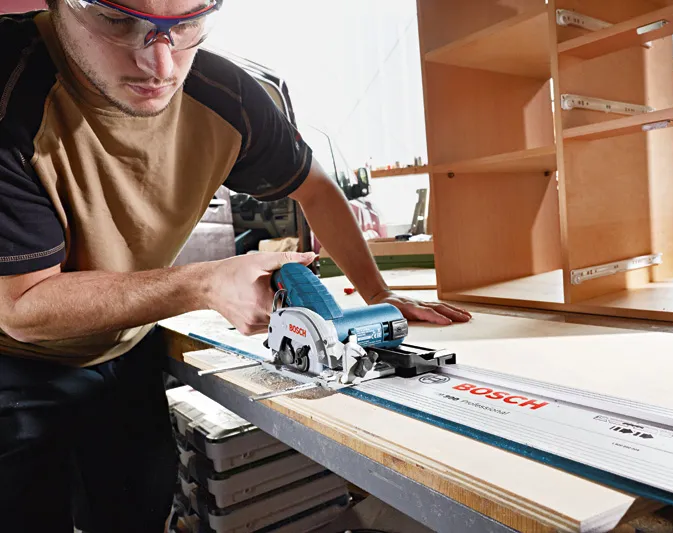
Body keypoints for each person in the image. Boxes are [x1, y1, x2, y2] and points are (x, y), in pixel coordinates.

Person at [0, 1, 471, 531]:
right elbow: (22, 307)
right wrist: (203, 283)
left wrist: (377, 295)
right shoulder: (10, 89)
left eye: (186, 23)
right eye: (119, 20)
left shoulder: (230, 98)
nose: (161, 66)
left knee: (135, 511)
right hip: (14, 359)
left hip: (125, 341)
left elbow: (316, 188)